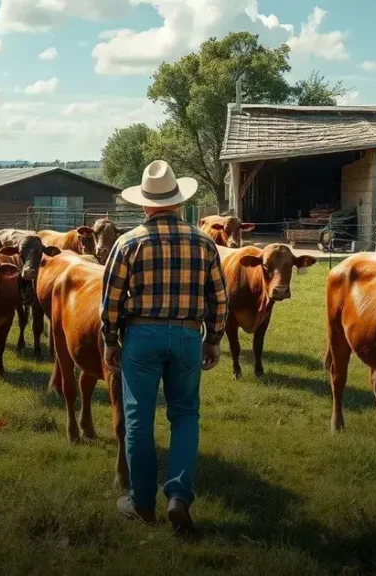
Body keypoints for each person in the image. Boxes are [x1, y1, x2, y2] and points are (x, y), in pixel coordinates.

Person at [100, 159, 228, 533]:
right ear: (177, 201)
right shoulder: (204, 242)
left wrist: (110, 340)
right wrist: (214, 339)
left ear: (145, 204)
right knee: (185, 414)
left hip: (141, 336)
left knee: (138, 416)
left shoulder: (127, 243)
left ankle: (141, 503)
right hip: (188, 336)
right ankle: (178, 496)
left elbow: (110, 302)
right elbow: (219, 298)